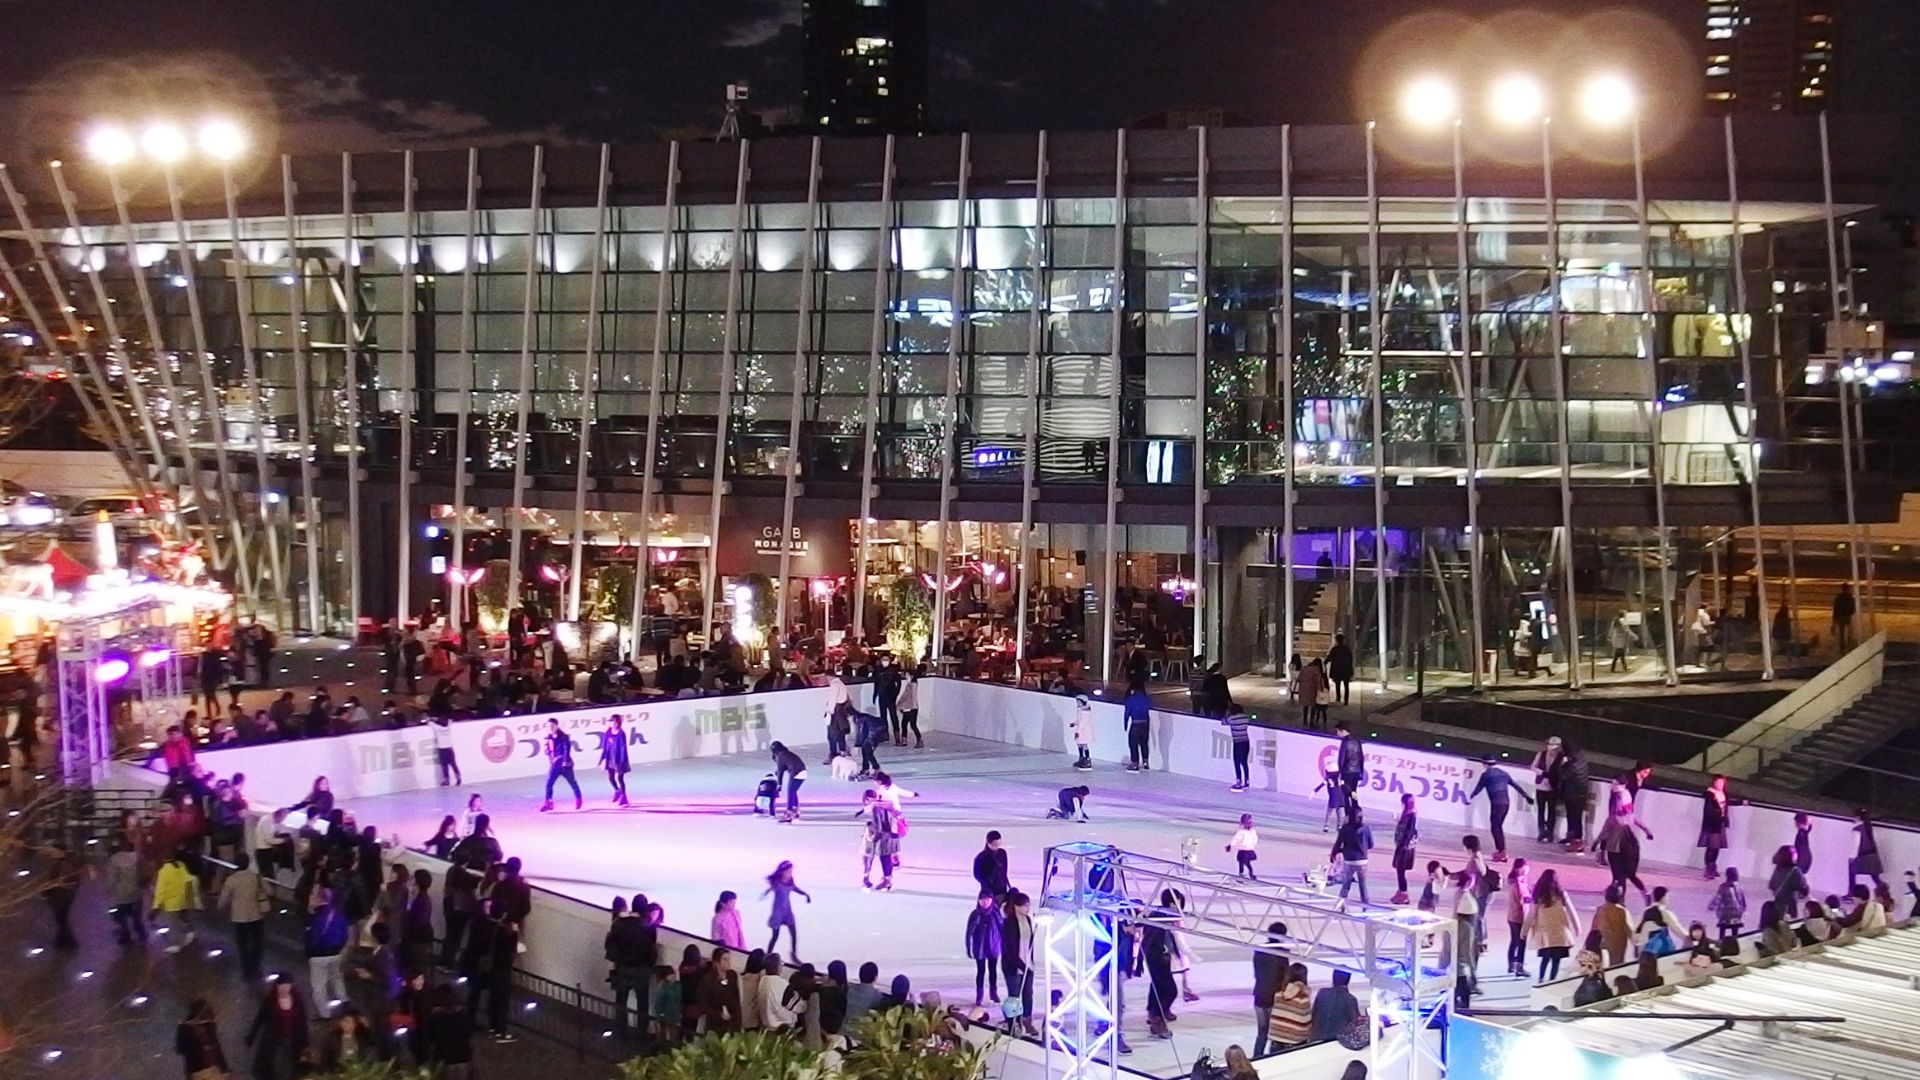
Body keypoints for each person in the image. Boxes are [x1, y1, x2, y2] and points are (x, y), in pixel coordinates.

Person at [245, 975, 310, 1080]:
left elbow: (302, 1020)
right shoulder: (270, 1000)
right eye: (282, 986)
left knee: (291, 1062)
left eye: (287, 986)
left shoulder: (297, 999)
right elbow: (260, 1018)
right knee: (276, 1062)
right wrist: (251, 1036)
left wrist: (305, 1041)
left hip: (293, 1037)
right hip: (274, 1038)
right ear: (277, 986)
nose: (284, 989)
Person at [218, 851, 271, 979]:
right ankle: (256, 966)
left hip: (239, 917)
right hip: (256, 915)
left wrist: (220, 907)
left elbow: (224, 899)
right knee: (257, 943)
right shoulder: (256, 877)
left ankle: (246, 970)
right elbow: (270, 891)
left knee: (242, 945)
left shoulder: (231, 880)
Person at [1525, 868, 1582, 984]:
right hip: (1559, 933)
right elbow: (1571, 911)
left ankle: (1541, 979)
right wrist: (1577, 927)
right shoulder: (1561, 894)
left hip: (1545, 934)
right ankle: (1552, 981)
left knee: (1545, 959)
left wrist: (1524, 930)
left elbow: (1531, 914)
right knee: (1556, 960)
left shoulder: (1539, 895)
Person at [1470, 760, 1533, 862]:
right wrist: (1526, 796)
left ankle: (1501, 851)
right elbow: (1515, 785)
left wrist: (1470, 796)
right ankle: (1501, 851)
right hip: (1506, 803)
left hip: (1496, 804)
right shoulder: (1503, 773)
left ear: (1484, 764)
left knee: (1495, 827)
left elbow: (1478, 788)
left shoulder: (1486, 775)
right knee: (1498, 827)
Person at [1001, 891, 1038, 1036]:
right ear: (1016, 906)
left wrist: (1030, 964)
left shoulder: (1028, 920)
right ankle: (1014, 1022)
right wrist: (1022, 965)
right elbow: (1009, 949)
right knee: (1014, 996)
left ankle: (1027, 1021)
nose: (1028, 908)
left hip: (1028, 965)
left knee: (1028, 994)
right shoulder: (1009, 923)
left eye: (1028, 905)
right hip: (1013, 966)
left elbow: (1030, 944)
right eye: (1025, 905)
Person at [1251, 922, 1289, 1057]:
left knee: (1261, 1033)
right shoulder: (1282, 953)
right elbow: (1285, 977)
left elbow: (1257, 973)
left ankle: (1257, 1057)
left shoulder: (1259, 951)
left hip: (1259, 995)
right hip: (1274, 998)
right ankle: (1273, 1058)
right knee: (1276, 1035)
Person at [152, 845, 199, 953]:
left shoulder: (164, 871)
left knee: (173, 924)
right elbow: (188, 880)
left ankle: (176, 944)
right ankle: (190, 933)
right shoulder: (181, 865)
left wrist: (156, 906)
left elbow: (160, 890)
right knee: (184, 918)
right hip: (183, 899)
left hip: (171, 903)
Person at [175, 997, 230, 1080]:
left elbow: (180, 1050)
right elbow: (216, 1048)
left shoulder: (186, 1028)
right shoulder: (187, 1028)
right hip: (204, 1069)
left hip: (203, 1070)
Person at [763, 861, 811, 956]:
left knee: (794, 934)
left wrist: (805, 894)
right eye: (788, 871)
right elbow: (771, 888)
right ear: (783, 872)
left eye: (791, 871)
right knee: (775, 936)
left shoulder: (790, 881)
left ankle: (794, 954)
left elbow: (795, 888)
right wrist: (766, 892)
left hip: (787, 911)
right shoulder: (777, 882)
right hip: (777, 912)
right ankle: (767, 954)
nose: (790, 874)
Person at [965, 890, 1003, 1007]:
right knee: (980, 971)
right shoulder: (975, 914)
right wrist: (968, 947)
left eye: (987, 900)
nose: (985, 902)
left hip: (993, 946)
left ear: (991, 900)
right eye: (982, 900)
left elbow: (1002, 929)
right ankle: (979, 995)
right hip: (979, 947)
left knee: (993, 970)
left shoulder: (995, 913)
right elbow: (969, 932)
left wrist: (1005, 945)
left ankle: (993, 993)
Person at [1330, 806, 1374, 906]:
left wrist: (1335, 853)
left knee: (1346, 884)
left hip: (1349, 860)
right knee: (1363, 886)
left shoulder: (1345, 828)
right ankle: (1365, 906)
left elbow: (1338, 843)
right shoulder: (1366, 828)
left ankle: (1340, 905)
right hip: (1362, 860)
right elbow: (1371, 845)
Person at [539, 718, 582, 812]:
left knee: (572, 782)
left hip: (565, 765)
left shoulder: (563, 737)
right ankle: (548, 802)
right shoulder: (549, 737)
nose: (550, 728)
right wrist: (547, 751)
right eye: (548, 726)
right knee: (549, 784)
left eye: (552, 726)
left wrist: (565, 761)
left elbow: (567, 749)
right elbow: (550, 750)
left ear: (557, 726)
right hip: (554, 766)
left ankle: (578, 799)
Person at [1266, 963, 1312, 1050]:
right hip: (1294, 1042)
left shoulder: (1278, 995)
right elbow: (1306, 1023)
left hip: (1276, 1040)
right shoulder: (1303, 999)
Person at [1309, 969, 1362, 1043]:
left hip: (1315, 1039)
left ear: (1333, 978)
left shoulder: (1322, 992)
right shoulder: (1350, 999)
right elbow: (1355, 1024)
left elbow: (1314, 1015)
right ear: (1348, 980)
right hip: (1335, 1043)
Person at [698, 948, 742, 1034]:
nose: (728, 962)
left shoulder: (732, 975)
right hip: (715, 1024)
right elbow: (703, 1004)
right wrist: (719, 1015)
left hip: (732, 1023)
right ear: (716, 962)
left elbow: (736, 998)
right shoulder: (708, 980)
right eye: (725, 959)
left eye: (729, 959)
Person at [1558, 741, 1591, 852]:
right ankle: (1571, 838)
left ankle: (1577, 843)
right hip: (1579, 794)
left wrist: (1562, 764)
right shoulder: (1582, 759)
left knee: (1575, 819)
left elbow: (1563, 776)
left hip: (1574, 795)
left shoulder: (1573, 764)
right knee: (1573, 817)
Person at [1503, 857, 1532, 978]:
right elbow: (1523, 900)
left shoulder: (1513, 881)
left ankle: (1511, 965)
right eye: (1525, 867)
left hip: (1511, 915)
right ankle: (1519, 967)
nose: (1527, 869)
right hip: (1520, 916)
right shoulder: (1519, 883)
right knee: (1521, 942)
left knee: (1514, 941)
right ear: (1520, 869)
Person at [1635, 886, 1684, 957]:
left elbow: (1637, 931)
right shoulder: (1664, 913)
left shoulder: (1645, 912)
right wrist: (1690, 937)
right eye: (1667, 897)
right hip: (1660, 950)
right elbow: (1678, 930)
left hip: (1644, 951)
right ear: (1663, 898)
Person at [1531, 736, 1563, 842]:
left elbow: (1561, 772)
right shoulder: (1541, 754)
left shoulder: (1562, 758)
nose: (1550, 748)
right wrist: (1540, 772)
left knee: (1551, 811)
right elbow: (1533, 766)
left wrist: (1551, 775)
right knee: (1541, 810)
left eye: (1553, 745)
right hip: (1540, 785)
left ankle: (1550, 833)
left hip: (1553, 787)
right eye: (1549, 745)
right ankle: (1541, 832)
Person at [1699, 775, 1732, 878]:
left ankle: (1713, 867)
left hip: (1720, 823)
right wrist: (1717, 813)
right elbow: (1710, 808)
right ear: (1714, 783)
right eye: (1718, 782)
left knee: (1716, 848)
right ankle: (1708, 868)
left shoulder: (1723, 794)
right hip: (1712, 823)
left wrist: (1742, 802)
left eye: (1722, 783)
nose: (1720, 784)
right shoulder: (1710, 794)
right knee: (1711, 847)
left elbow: (1728, 803)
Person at [1591, 884, 1631, 967]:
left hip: (1602, 944)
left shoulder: (1600, 909)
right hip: (1618, 945)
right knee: (1616, 967)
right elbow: (1630, 930)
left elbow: (1594, 928)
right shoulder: (1622, 911)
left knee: (1603, 965)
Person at [1390, 793, 1418, 904]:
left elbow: (1409, 832)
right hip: (1401, 845)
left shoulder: (1411, 816)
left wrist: (1403, 845)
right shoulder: (1406, 814)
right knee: (1399, 871)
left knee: (1401, 871)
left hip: (1404, 848)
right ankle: (1400, 891)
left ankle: (1404, 894)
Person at [769, 741, 808, 820]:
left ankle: (789, 813)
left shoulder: (779, 756)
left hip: (795, 773)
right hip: (803, 771)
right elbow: (786, 765)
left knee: (790, 792)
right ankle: (795, 810)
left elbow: (780, 771)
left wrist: (779, 784)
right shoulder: (787, 753)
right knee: (793, 791)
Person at [600, 714, 632, 807]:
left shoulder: (621, 733)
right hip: (610, 757)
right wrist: (603, 758)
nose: (610, 723)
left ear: (617, 723)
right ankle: (617, 791)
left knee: (620, 778)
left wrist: (622, 761)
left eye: (612, 721)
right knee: (611, 777)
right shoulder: (608, 732)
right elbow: (605, 745)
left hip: (618, 759)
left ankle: (624, 797)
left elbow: (623, 748)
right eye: (610, 721)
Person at [1220, 704, 1253, 791]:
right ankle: (1247, 781)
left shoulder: (1231, 718)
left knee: (1237, 762)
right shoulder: (1245, 717)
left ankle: (1239, 781)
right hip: (1246, 741)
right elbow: (1252, 717)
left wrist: (1226, 714)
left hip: (1237, 742)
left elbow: (1223, 722)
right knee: (1244, 762)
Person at [1710, 867, 1747, 939]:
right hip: (1736, 913)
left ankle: (1721, 941)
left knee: (1722, 930)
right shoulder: (1739, 887)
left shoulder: (1723, 887)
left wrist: (1712, 905)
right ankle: (1734, 941)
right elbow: (1742, 900)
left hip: (1725, 914)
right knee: (1734, 931)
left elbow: (1718, 898)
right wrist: (1743, 908)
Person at [1123, 680, 1152, 771]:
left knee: (1133, 743)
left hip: (1136, 723)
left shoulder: (1131, 699)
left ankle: (1135, 763)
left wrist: (1125, 723)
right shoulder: (1145, 698)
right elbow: (1149, 708)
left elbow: (1127, 712)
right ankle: (1145, 762)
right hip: (1145, 723)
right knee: (1144, 743)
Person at [1850, 809, 1884, 888]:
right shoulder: (1868, 826)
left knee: (1852, 872)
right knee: (1875, 876)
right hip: (1873, 855)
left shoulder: (1857, 829)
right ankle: (1882, 889)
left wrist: (1852, 857)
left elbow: (1856, 844)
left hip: (1863, 856)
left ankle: (1852, 891)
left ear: (1858, 818)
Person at [1334, 721, 1365, 805]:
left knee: (1345, 793)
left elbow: (1342, 759)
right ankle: (1356, 807)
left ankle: (1348, 810)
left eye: (1338, 731)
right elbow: (1361, 757)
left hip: (1347, 771)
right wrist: (1361, 771)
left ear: (1343, 731)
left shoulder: (1345, 743)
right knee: (1353, 791)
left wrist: (1339, 772)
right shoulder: (1357, 741)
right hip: (1356, 771)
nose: (1337, 733)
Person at [973, 831, 1011, 899]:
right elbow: (977, 875)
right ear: (988, 843)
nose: (997, 846)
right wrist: (987, 883)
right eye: (994, 844)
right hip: (989, 892)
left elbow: (1004, 872)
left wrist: (1008, 885)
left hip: (1002, 890)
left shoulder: (1002, 853)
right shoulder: (981, 857)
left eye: (999, 844)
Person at [1226, 813, 1259, 879]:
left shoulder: (1242, 832)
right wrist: (1252, 845)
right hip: (1249, 849)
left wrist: (1231, 845)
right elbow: (1255, 840)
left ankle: (1242, 874)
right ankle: (1250, 873)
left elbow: (1236, 839)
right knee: (1247, 862)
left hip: (1243, 850)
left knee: (1241, 862)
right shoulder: (1252, 831)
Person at [1298, 658, 1328, 730]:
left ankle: (1305, 720)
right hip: (1312, 690)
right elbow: (1317, 681)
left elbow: (1299, 679)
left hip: (1304, 689)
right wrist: (1321, 689)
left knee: (1305, 705)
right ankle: (1311, 722)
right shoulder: (1316, 670)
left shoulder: (1304, 668)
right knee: (1313, 707)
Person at [898, 664, 923, 748]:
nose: (906, 677)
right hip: (909, 707)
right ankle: (905, 740)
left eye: (907, 675)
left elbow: (910, 696)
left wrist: (904, 705)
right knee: (905, 724)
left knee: (912, 724)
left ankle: (918, 740)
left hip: (911, 707)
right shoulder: (910, 685)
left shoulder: (912, 685)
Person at [1326, 634, 1355, 705]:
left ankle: (1338, 698)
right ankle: (1346, 700)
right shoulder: (1347, 650)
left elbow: (1330, 657)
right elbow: (1350, 660)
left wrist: (1325, 662)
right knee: (1346, 685)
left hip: (1337, 669)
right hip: (1345, 670)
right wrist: (1351, 671)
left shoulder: (1335, 649)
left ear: (1337, 640)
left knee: (1337, 684)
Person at [1069, 694, 1094, 770]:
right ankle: (1081, 758)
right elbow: (1079, 720)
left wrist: (1078, 731)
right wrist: (1074, 723)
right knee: (1079, 744)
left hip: (1084, 730)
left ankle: (1088, 760)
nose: (1077, 703)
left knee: (1084, 744)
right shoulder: (1080, 710)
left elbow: (1083, 722)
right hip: (1080, 729)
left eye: (1079, 702)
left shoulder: (1085, 711)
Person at [1832, 586, 1856, 650]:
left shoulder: (1838, 598)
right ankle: (1849, 642)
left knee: (1841, 631)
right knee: (1849, 630)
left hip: (1840, 616)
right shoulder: (1850, 598)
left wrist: (1834, 619)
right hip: (1847, 616)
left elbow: (1835, 609)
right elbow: (1853, 608)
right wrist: (1850, 613)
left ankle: (1842, 645)